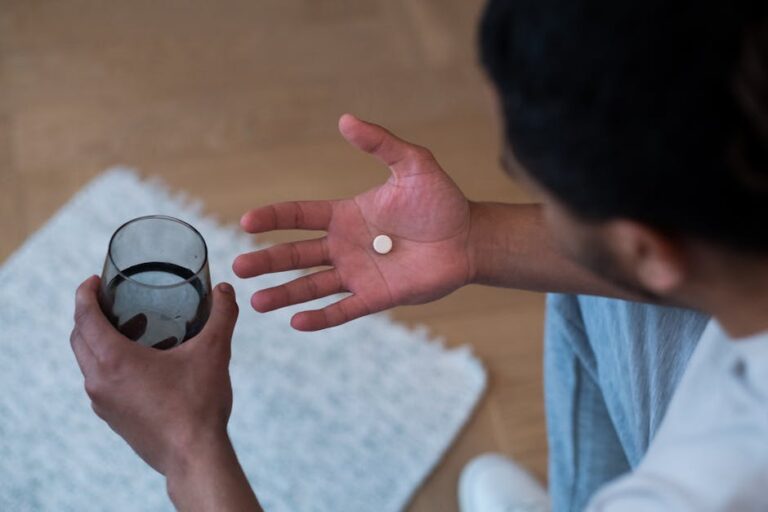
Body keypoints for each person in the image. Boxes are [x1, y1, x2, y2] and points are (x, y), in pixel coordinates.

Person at [69, 0, 768, 510]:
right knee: (605, 297)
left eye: (544, 193)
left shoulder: (711, 486)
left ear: (649, 247)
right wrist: (475, 238)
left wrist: (187, 450)